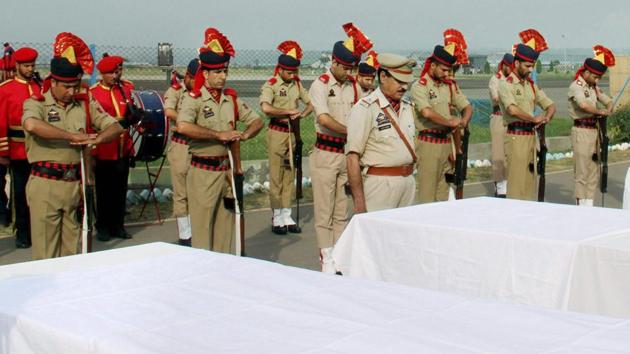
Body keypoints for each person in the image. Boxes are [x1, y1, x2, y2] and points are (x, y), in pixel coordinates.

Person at [22, 32, 124, 259]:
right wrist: (71, 136)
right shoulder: (37, 103)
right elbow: (31, 125)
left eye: (76, 85)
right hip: (45, 184)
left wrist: (96, 139)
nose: (72, 91)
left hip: (74, 185)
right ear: (53, 81)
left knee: (73, 256)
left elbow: (115, 126)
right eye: (67, 86)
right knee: (46, 256)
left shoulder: (84, 103)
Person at [177, 28, 263, 253]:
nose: (223, 76)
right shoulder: (193, 99)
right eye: (217, 72)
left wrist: (244, 135)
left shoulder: (230, 100)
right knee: (203, 235)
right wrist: (217, 135)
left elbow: (256, 121)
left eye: (225, 71)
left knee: (225, 235)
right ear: (204, 73)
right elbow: (183, 126)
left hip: (227, 173)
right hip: (203, 172)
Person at [308, 22, 372, 273]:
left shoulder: (355, 86)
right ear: (334, 62)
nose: (348, 71)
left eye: (351, 67)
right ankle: (326, 257)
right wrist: (352, 131)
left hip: (345, 153)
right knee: (324, 210)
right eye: (345, 67)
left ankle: (339, 255)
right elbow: (323, 119)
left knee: (341, 209)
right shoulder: (320, 85)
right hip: (325, 152)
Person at [346, 53, 417, 212]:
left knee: (405, 236)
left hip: (408, 183)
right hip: (380, 185)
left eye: (407, 82)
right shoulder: (365, 108)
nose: (404, 87)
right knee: (378, 235)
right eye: (399, 81)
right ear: (383, 77)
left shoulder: (407, 107)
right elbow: (352, 158)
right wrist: (359, 202)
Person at [410, 34, 472, 203]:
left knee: (443, 194)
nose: (447, 74)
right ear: (433, 65)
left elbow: (466, 106)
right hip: (428, 144)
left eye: (449, 71)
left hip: (446, 145)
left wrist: (464, 121)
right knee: (427, 195)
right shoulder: (419, 86)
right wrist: (450, 122)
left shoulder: (449, 87)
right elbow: (426, 112)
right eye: (443, 70)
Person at [260, 40, 313, 235]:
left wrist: (302, 114)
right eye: (290, 72)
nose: (293, 75)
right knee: (277, 176)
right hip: (277, 131)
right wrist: (287, 111)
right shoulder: (271, 84)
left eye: (295, 72)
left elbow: (310, 104)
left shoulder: (297, 84)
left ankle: (287, 214)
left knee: (290, 174)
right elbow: (265, 107)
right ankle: (276, 216)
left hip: (292, 133)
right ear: (281, 69)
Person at [498, 29, 556, 201]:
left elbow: (550, 104)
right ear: (516, 63)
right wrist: (534, 118)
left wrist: (546, 117)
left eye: (532, 66)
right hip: (516, 137)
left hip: (531, 137)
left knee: (530, 184)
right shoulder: (505, 84)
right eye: (527, 66)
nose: (530, 70)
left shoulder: (531, 85)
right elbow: (512, 110)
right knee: (516, 186)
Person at [89, 54, 135, 241]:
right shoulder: (94, 92)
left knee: (119, 189)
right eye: (112, 73)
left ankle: (118, 226)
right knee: (104, 191)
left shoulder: (125, 89)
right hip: (104, 148)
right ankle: (103, 226)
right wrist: (92, 150)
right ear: (103, 74)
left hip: (122, 147)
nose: (116, 75)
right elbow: (92, 123)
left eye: (118, 71)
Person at [0, 47, 41, 248]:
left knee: (38, 193)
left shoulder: (39, 86)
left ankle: (38, 231)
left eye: (32, 65)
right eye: (26, 65)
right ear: (17, 66)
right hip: (17, 150)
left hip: (40, 148)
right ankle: (22, 233)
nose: (30, 69)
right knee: (21, 194)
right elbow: (1, 123)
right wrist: (3, 152)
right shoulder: (6, 89)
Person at [569, 45, 614, 206]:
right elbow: (583, 106)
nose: (597, 80)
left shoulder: (593, 87)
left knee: (593, 171)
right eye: (595, 77)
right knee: (582, 171)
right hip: (581, 131)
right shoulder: (577, 86)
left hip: (594, 132)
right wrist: (600, 112)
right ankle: (581, 207)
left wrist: (607, 109)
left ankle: (590, 205)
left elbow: (609, 101)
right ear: (586, 72)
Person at [164, 59, 199, 246]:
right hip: (181, 146)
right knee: (181, 192)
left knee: (197, 191)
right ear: (187, 76)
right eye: (195, 79)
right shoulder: (176, 91)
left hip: (198, 145)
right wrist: (187, 122)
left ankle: (197, 228)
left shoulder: (200, 92)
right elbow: (169, 111)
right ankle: (185, 233)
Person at [488, 53, 514, 197]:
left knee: (509, 152)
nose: (511, 70)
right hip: (499, 116)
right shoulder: (495, 79)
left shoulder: (512, 80)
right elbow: (496, 98)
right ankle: (499, 185)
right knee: (498, 153)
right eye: (509, 67)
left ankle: (507, 182)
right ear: (503, 65)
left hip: (510, 118)